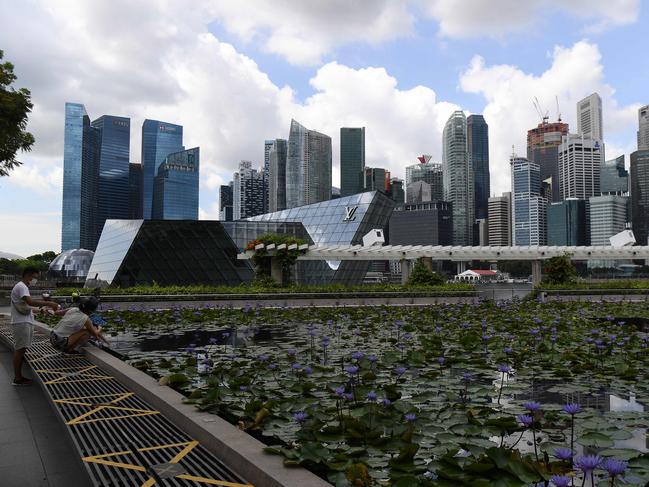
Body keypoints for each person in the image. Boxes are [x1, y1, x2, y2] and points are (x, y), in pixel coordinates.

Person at [10, 266, 60, 386]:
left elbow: (25, 307)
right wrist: (49, 303)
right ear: (29, 275)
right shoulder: (22, 286)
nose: (35, 280)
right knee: (20, 350)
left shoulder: (22, 287)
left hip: (22, 322)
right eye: (35, 277)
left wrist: (42, 311)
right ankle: (17, 378)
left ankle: (19, 377)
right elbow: (30, 302)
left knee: (22, 349)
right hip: (21, 323)